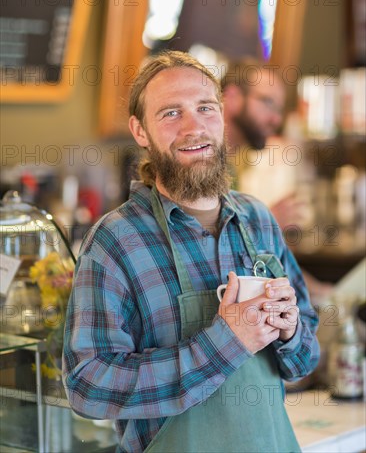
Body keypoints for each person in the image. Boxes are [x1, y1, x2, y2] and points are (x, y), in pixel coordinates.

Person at [62, 51, 320, 453]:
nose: (193, 127)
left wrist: (289, 332)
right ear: (140, 130)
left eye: (205, 108)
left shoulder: (258, 220)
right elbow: (88, 386)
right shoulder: (115, 241)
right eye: (170, 113)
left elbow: (305, 357)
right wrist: (224, 343)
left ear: (221, 114)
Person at [222, 59, 334, 299]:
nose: (275, 120)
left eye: (278, 109)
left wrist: (321, 293)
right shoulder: (207, 165)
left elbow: (255, 258)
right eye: (267, 103)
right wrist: (266, 224)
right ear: (232, 97)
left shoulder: (237, 165)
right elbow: (213, 254)